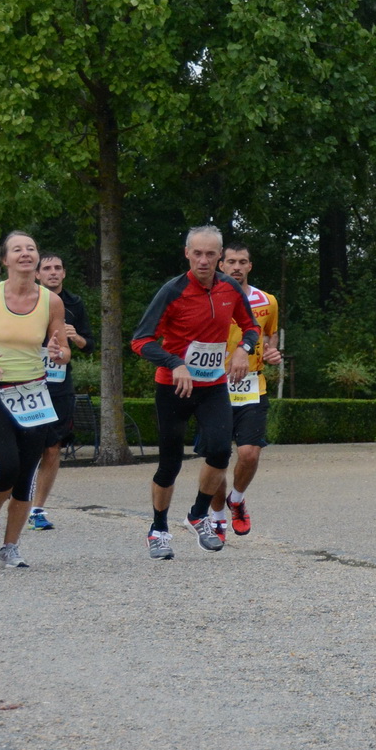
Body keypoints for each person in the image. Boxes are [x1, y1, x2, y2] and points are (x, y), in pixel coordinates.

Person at [130, 225, 258, 560]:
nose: (203, 260)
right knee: (170, 463)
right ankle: (158, 528)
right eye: (197, 253)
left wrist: (244, 348)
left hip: (213, 385)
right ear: (187, 253)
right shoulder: (172, 291)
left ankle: (198, 515)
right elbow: (140, 340)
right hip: (173, 386)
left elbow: (251, 327)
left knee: (219, 451)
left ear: (219, 257)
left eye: (210, 254)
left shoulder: (230, 288)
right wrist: (174, 362)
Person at [0, 232, 68, 568]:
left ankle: (11, 546)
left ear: (36, 260)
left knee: (26, 475)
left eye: (31, 248)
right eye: (17, 249)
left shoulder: (52, 302)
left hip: (34, 394)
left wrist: (58, 352)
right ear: (5, 260)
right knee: (6, 465)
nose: (25, 253)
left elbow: (63, 352)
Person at [207, 243, 280, 536]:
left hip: (253, 386)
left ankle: (236, 501)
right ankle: (216, 515)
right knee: (217, 457)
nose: (237, 267)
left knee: (249, 454)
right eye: (231, 262)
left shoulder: (267, 301)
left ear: (250, 266)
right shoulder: (208, 298)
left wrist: (274, 354)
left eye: (243, 262)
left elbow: (270, 338)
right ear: (221, 265)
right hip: (214, 387)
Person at [27, 252, 92, 531]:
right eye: (47, 268)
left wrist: (74, 337)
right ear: (37, 274)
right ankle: (15, 492)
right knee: (26, 448)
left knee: (53, 448)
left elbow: (89, 345)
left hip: (59, 384)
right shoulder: (25, 301)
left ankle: (37, 509)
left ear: (64, 273)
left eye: (58, 268)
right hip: (26, 382)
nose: (53, 272)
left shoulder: (75, 304)